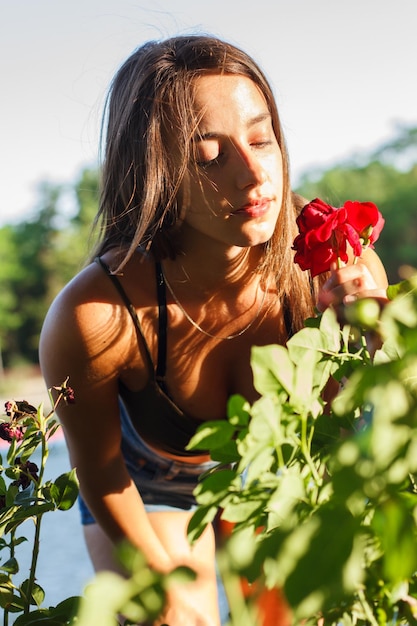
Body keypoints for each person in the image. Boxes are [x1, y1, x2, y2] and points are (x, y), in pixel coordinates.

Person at [39, 35, 389, 626]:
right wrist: (164, 592)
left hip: (279, 471)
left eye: (261, 139)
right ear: (155, 172)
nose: (254, 175)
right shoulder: (97, 314)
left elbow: (358, 436)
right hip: (149, 482)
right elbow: (101, 476)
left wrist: (373, 340)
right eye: (208, 155)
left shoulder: (330, 257)